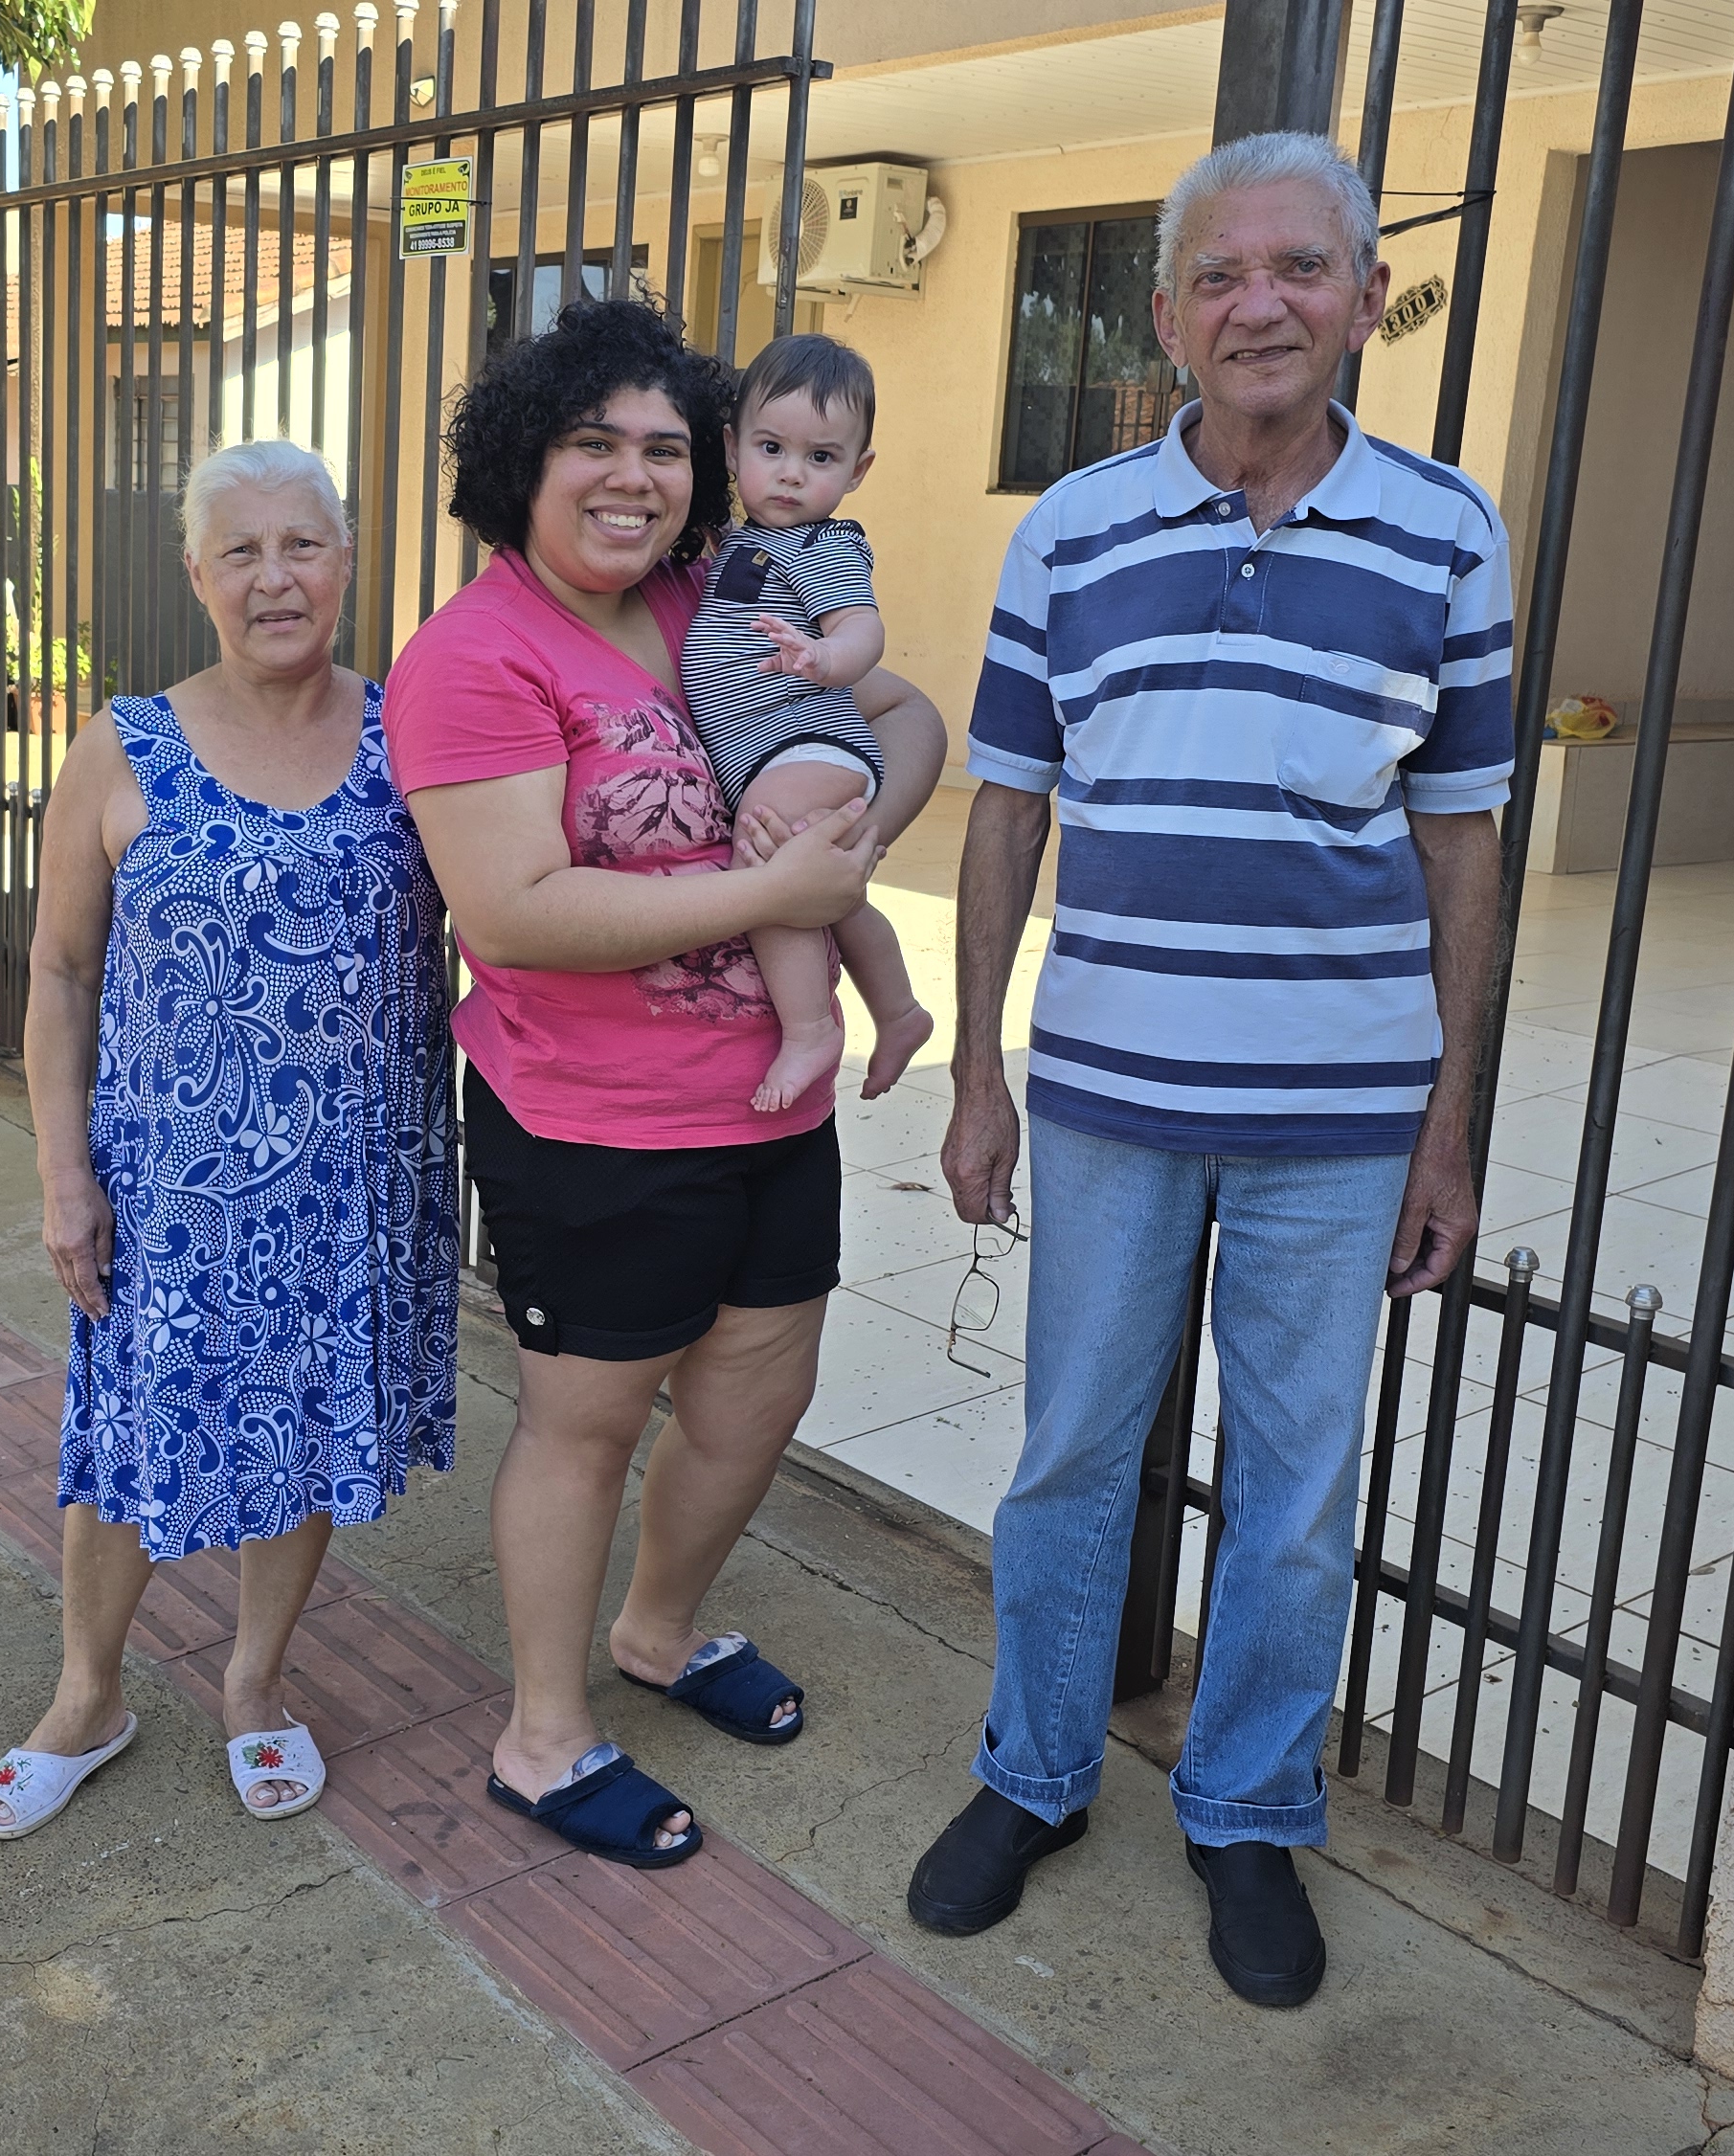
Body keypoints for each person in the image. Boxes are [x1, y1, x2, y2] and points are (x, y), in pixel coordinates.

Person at [900, 131, 1513, 2009]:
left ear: (1364, 300)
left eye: (1301, 267)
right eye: (1220, 274)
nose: (1261, 304)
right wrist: (981, 1073)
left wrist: (1447, 1130)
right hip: (1107, 1092)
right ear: (1164, 314)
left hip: (1339, 1111)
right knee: (1073, 1448)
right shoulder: (1072, 530)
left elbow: (1462, 844)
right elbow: (1005, 809)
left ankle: (1246, 1808)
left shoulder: (1444, 533)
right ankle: (1033, 1770)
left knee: (1297, 1484)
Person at [386, 294, 946, 1868]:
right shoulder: (476, 655)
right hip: (594, 1124)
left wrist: (852, 836)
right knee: (587, 1424)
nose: (633, 476)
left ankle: (660, 1627)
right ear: (524, 461)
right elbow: (513, 912)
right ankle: (544, 1735)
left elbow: (908, 716)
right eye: (594, 443)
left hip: (770, 1104)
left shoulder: (720, 593)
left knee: (758, 1392)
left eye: (663, 447)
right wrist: (772, 893)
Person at [0, 440, 457, 1840]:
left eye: (301, 544)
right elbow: (61, 973)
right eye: (240, 551)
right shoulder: (121, 745)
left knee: (300, 1431)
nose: (274, 578)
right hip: (170, 1193)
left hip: (351, 1186)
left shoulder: (412, 735)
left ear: (346, 558)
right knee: (132, 1439)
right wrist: (63, 1174)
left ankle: (256, 1680)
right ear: (196, 574)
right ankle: (88, 1695)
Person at [674, 332, 935, 1112]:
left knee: (766, 873)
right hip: (781, 749)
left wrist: (826, 658)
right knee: (830, 895)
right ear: (732, 448)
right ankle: (899, 1009)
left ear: (857, 471)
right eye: (772, 448)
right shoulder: (749, 544)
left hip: (805, 742)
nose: (791, 472)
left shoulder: (821, 545)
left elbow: (863, 627)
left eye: (821, 457)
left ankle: (811, 1027)